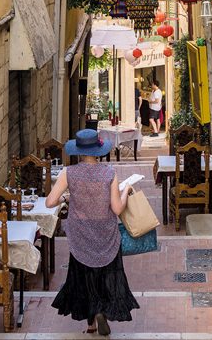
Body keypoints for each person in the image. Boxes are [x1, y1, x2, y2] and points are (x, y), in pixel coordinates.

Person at [46, 129, 139, 336]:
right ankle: (102, 311)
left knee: (84, 276)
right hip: (105, 232)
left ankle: (91, 323)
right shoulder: (109, 173)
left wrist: (66, 198)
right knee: (105, 275)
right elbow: (116, 208)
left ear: (78, 151)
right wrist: (126, 191)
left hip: (80, 234)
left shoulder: (68, 173)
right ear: (98, 151)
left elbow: (50, 201)